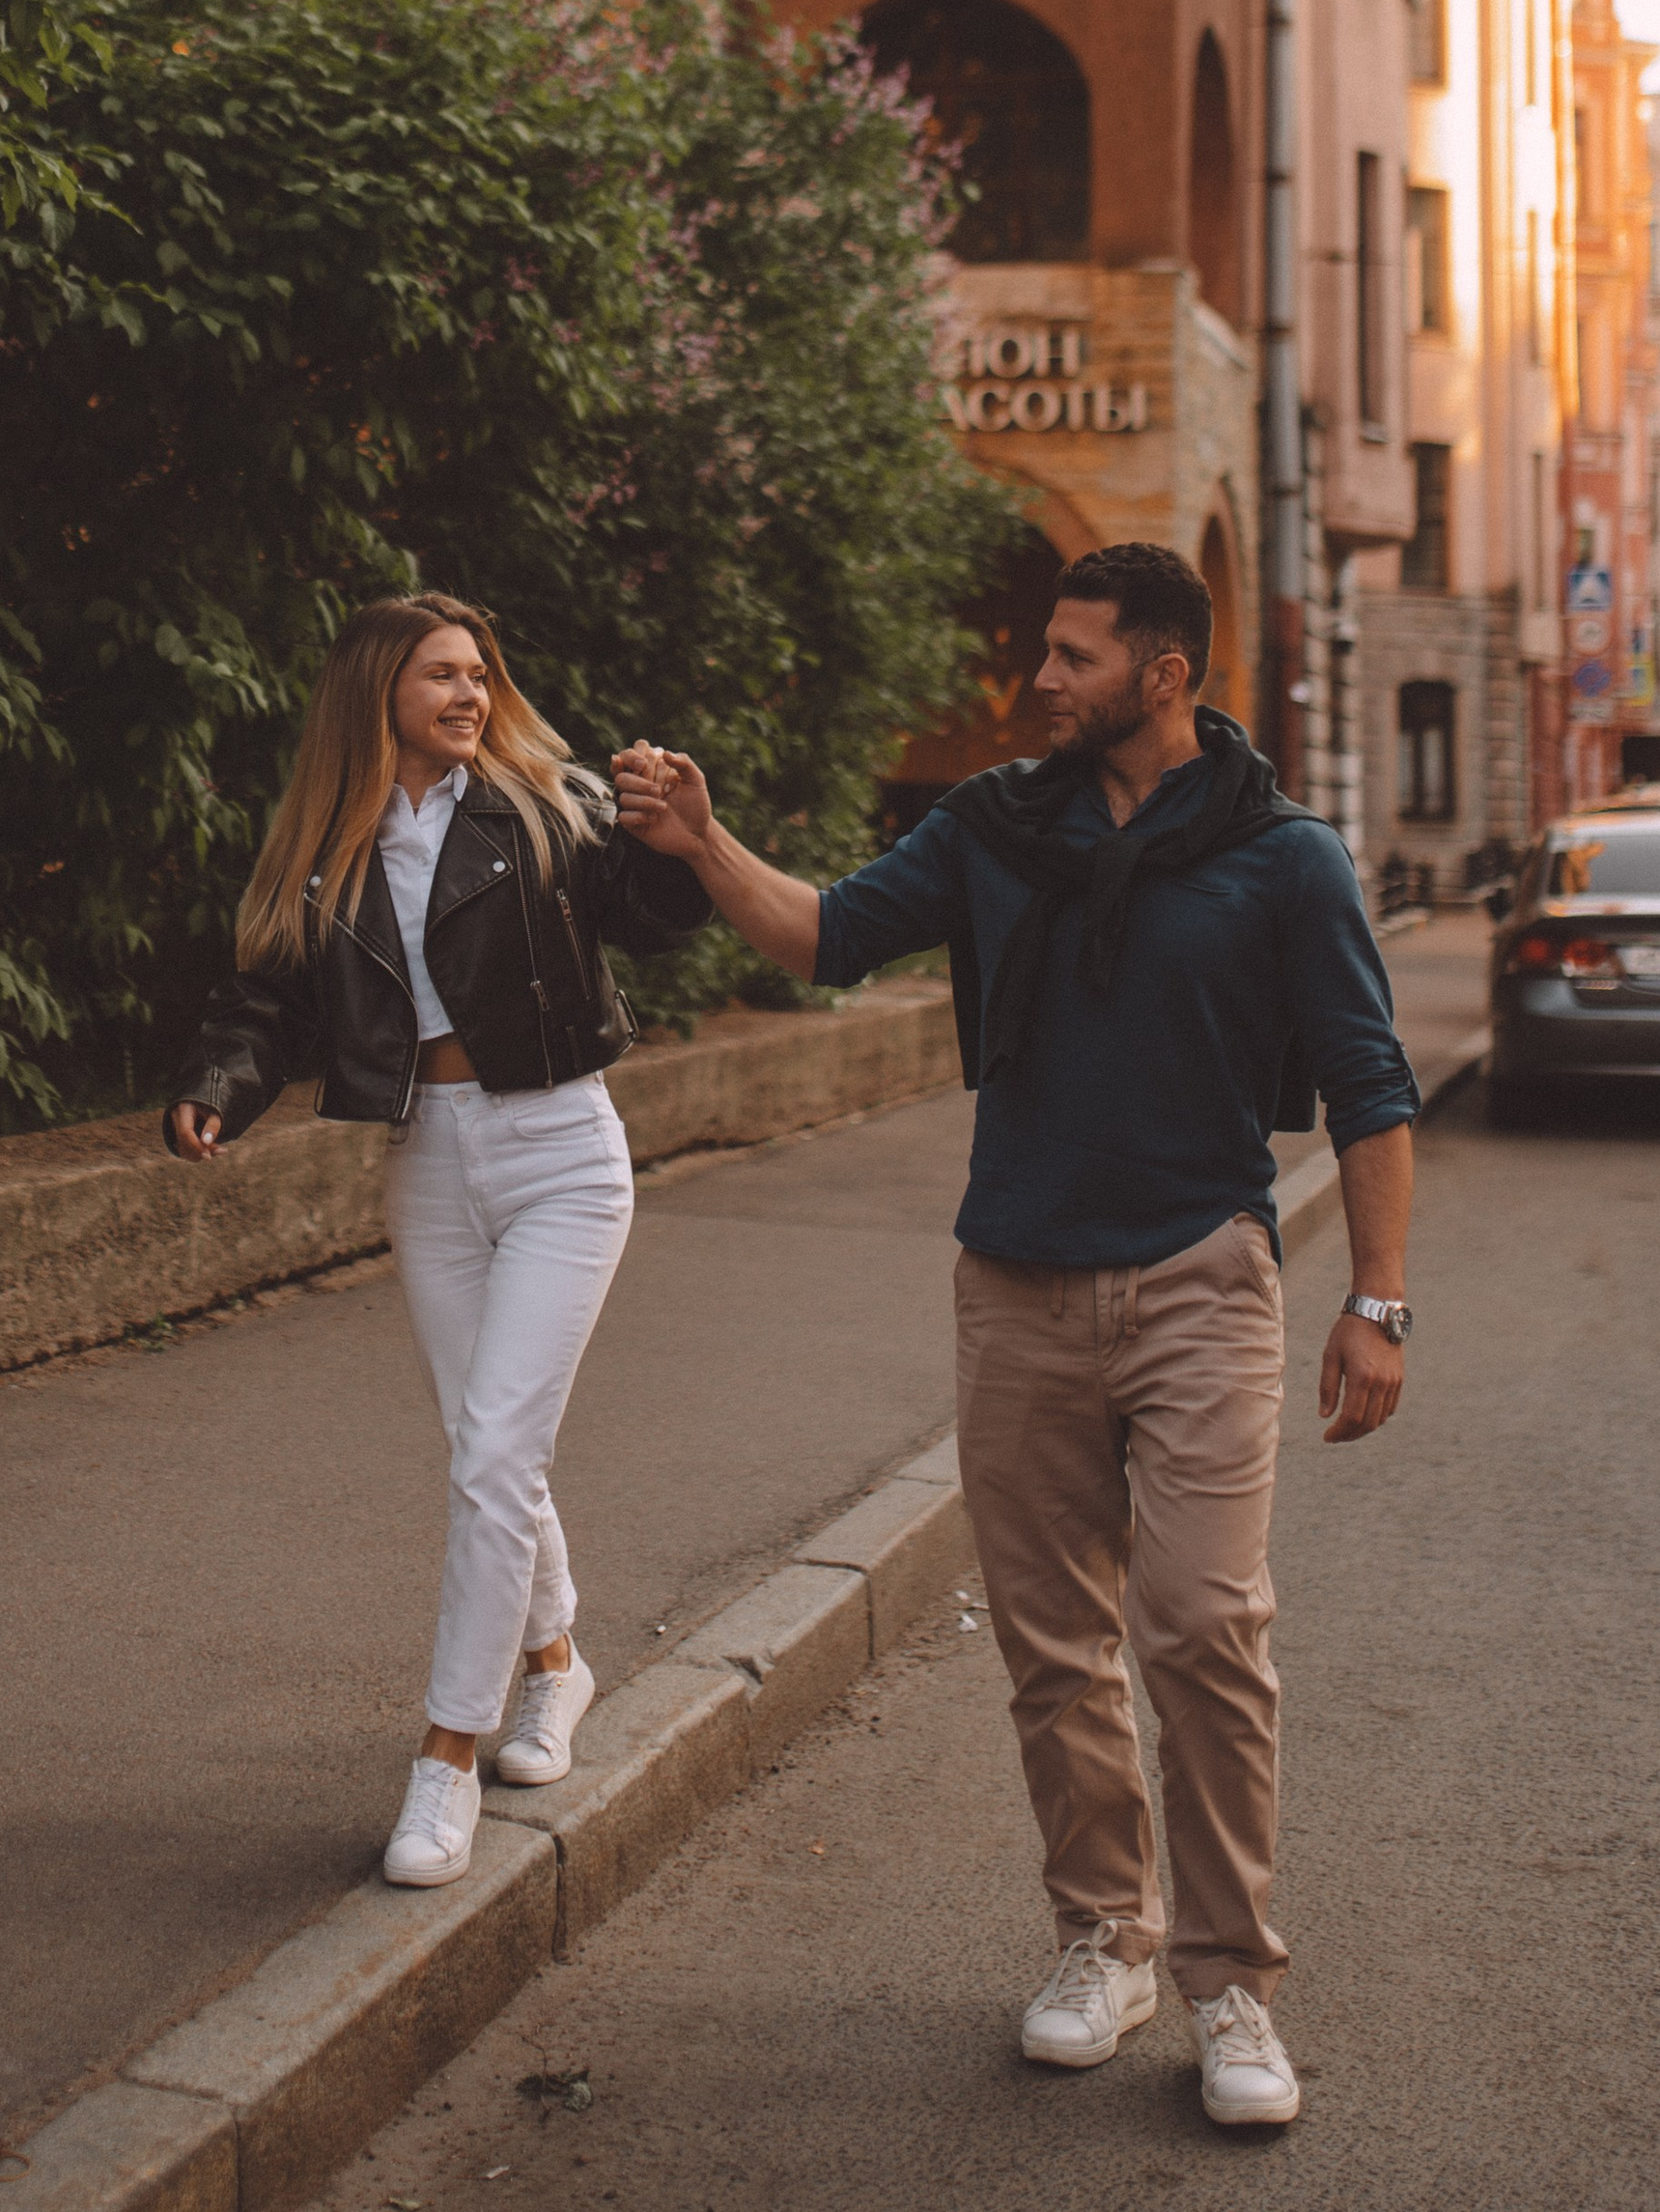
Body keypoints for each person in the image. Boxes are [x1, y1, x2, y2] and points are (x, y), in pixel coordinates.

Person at [613, 541, 1417, 2132]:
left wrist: (1377, 1303)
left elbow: (1372, 1090)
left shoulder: (1283, 858)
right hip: (1017, 1286)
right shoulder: (997, 829)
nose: (1038, 678)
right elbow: (826, 936)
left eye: (1071, 655)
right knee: (1055, 1651)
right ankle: (1100, 1944)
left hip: (1200, 1276)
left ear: (1163, 675)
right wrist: (706, 844)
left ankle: (1231, 1980)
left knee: (1201, 1625)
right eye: (1045, 652)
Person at [167, 593, 710, 1887]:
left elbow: (652, 915)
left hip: (561, 1153)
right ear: (378, 696)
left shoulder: (543, 801)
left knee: (495, 1455)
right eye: (441, 678)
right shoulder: (335, 846)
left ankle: (445, 1760)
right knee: (487, 1448)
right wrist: (219, 1085)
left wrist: (675, 836)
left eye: (479, 674)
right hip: (428, 1159)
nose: (470, 695)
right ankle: (557, 1665)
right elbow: (270, 999)